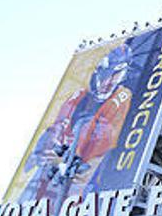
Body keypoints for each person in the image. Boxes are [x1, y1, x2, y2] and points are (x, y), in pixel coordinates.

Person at [18, 43, 133, 204]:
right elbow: (55, 129)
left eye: (118, 74)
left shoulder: (121, 98)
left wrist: (67, 161)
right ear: (98, 71)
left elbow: (101, 146)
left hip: (78, 183)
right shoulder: (77, 96)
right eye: (108, 73)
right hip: (52, 174)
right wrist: (40, 153)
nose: (110, 81)